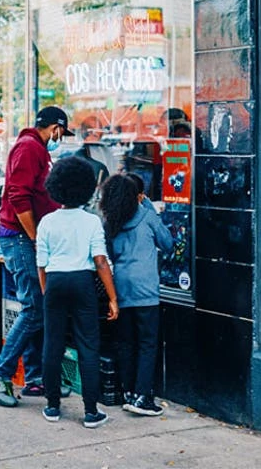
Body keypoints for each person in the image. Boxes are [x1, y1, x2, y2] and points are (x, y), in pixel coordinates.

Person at [0, 106, 73, 407]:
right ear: (55, 128)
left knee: (40, 307)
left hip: (27, 238)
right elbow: (18, 196)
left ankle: (36, 377)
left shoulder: (36, 149)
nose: (60, 138)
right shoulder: (29, 148)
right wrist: (35, 238)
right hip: (20, 238)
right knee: (34, 308)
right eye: (61, 133)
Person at [35, 156, 118, 428]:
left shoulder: (47, 222)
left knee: (53, 344)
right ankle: (91, 411)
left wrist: (47, 291)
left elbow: (41, 264)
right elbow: (100, 261)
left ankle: (52, 406)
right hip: (83, 282)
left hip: (55, 281)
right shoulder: (91, 221)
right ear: (86, 188)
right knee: (88, 346)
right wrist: (112, 298)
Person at [98, 174, 174, 417]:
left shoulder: (111, 222)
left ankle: (129, 392)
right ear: (137, 196)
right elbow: (168, 243)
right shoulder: (147, 216)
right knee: (147, 343)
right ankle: (143, 396)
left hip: (121, 286)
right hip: (146, 288)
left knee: (126, 342)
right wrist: (148, 205)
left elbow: (109, 254)